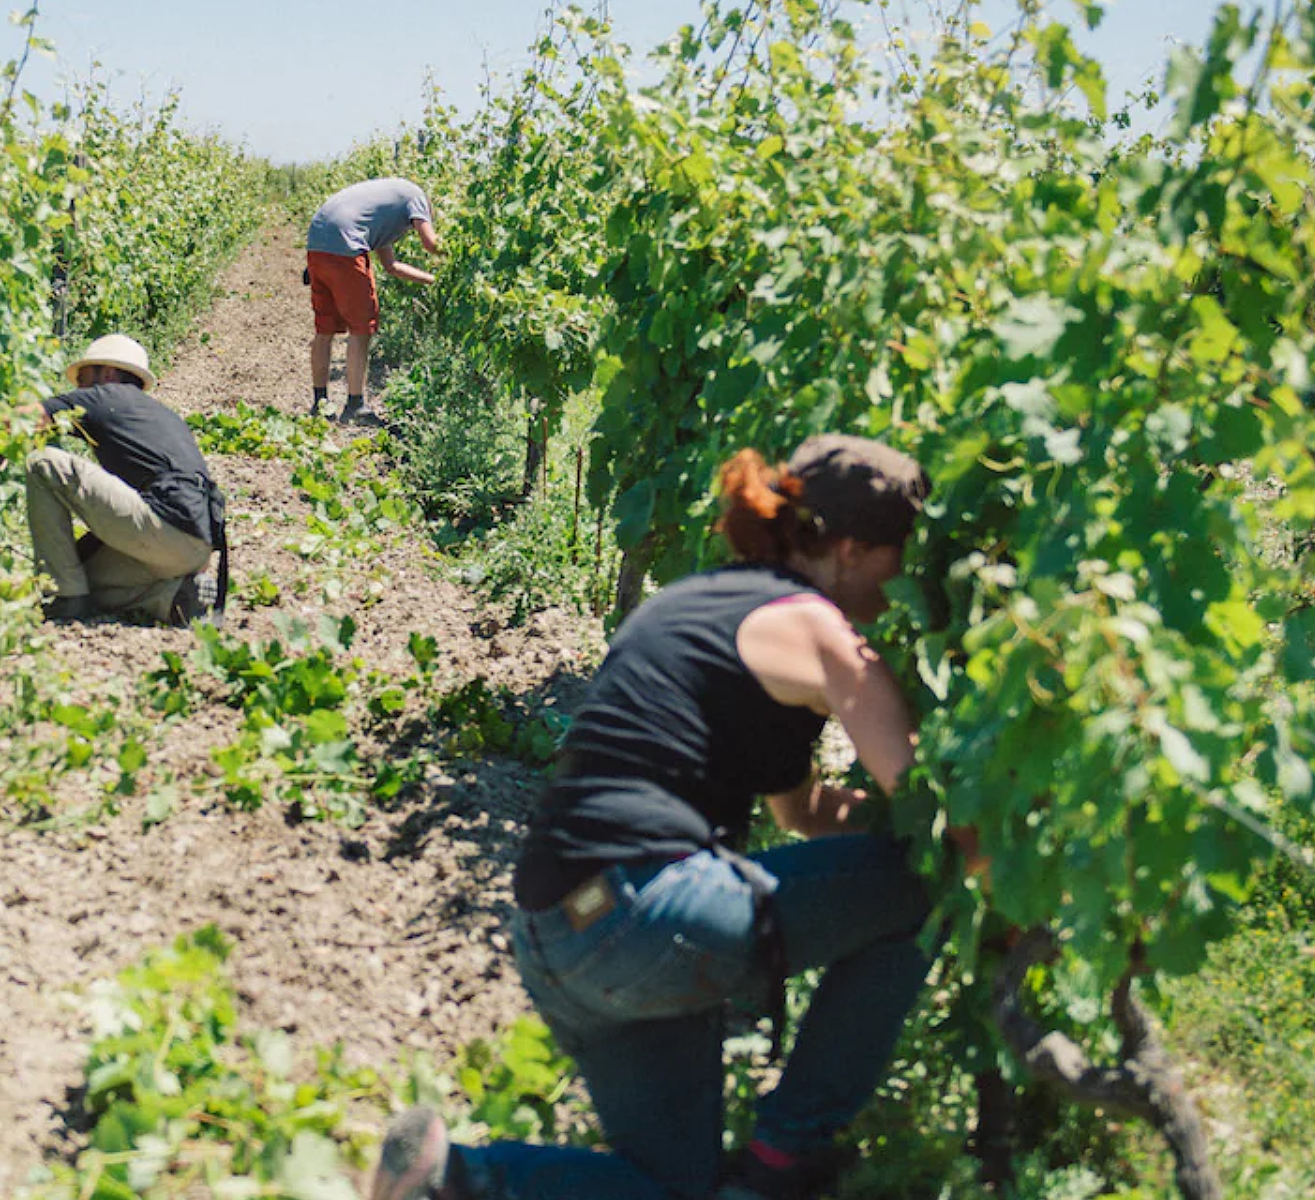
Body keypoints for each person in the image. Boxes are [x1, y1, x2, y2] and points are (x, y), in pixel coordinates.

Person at [369, 434, 958, 1200]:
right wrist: (994, 865)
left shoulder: (701, 604)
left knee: (672, 1189)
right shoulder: (819, 629)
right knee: (924, 880)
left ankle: (451, 1180)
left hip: (557, 930)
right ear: (847, 548)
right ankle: (787, 1156)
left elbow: (807, 811)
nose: (904, 578)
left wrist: (874, 835)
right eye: (898, 554)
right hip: (645, 911)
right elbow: (936, 819)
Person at [24, 334, 226, 624]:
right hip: (198, 547)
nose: (79, 390)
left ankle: (63, 602)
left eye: (83, 380)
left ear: (107, 373)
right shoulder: (161, 417)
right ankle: (173, 596)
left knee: (43, 463)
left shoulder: (105, 396)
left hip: (165, 528)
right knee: (80, 576)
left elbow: (26, 419)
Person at [305, 176, 440, 420]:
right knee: (362, 327)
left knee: (324, 328)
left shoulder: (382, 210)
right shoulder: (417, 198)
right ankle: (355, 405)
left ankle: (320, 402)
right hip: (346, 243)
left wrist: (432, 280)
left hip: (318, 241)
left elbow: (392, 265)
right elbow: (431, 243)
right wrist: (462, 254)